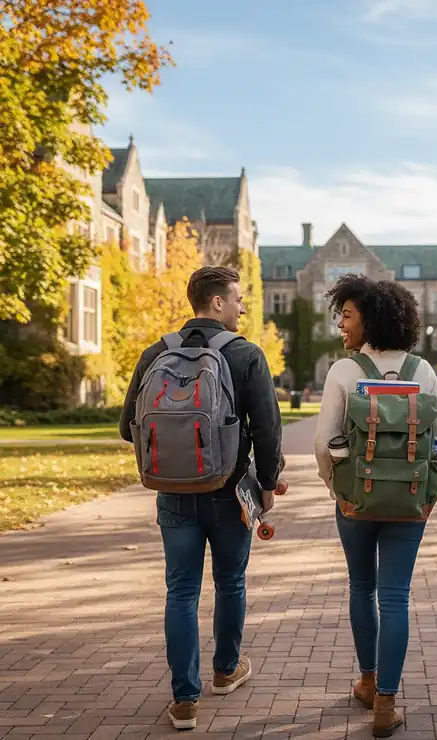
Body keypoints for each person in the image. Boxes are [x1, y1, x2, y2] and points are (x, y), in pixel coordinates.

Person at [119, 266, 283, 731]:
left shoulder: (156, 353)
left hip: (172, 493)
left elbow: (125, 427)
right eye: (238, 299)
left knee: (181, 592)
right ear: (216, 303)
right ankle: (226, 670)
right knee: (230, 581)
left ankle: (185, 699)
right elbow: (268, 429)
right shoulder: (246, 354)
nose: (243, 307)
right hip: (230, 491)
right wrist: (267, 485)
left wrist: (173, 458)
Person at [313, 275, 437, 738]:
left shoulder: (344, 371)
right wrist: (426, 489)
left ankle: (369, 682)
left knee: (361, 588)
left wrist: (336, 486)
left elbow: (324, 442)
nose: (340, 322)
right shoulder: (422, 371)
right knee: (396, 597)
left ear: (369, 319)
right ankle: (386, 705)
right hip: (408, 502)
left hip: (356, 499)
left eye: (347, 315)